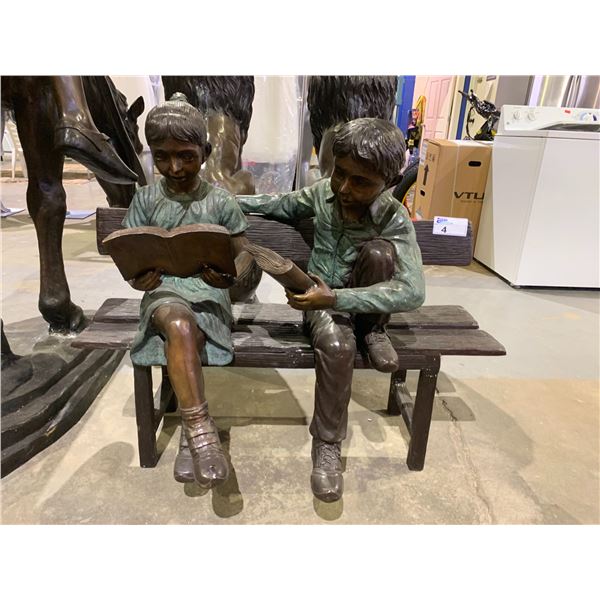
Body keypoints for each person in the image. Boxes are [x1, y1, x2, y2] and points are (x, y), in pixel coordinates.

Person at [237, 118, 425, 502]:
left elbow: (413, 290)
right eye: (340, 173)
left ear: (389, 182)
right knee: (338, 346)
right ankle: (327, 443)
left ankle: (373, 331)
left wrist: (339, 299)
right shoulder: (322, 194)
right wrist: (225, 201)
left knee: (380, 254)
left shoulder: (393, 217)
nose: (344, 188)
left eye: (361, 182)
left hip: (344, 301)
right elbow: (277, 204)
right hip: (319, 299)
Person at [122, 93, 254, 488]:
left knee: (188, 332)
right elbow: (131, 254)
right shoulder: (145, 199)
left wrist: (230, 278)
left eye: (186, 156)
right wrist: (137, 279)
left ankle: (188, 432)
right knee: (179, 325)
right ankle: (200, 433)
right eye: (162, 157)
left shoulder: (220, 201)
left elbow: (245, 255)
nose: (174, 168)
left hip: (209, 293)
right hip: (163, 293)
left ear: (205, 153)